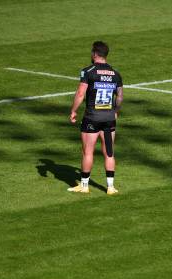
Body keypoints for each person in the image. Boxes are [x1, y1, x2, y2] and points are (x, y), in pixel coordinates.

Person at [68, 41, 123, 195]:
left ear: (94, 54)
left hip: (92, 118)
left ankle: (84, 186)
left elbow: (80, 94)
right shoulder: (116, 73)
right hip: (109, 118)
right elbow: (120, 97)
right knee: (109, 153)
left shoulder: (88, 71)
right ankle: (111, 187)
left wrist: (73, 111)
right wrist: (116, 111)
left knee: (88, 152)